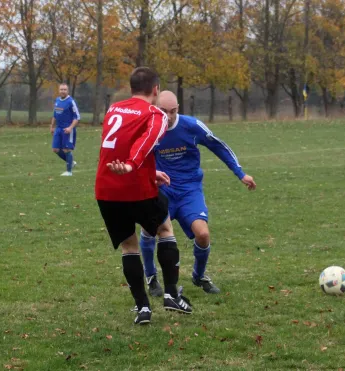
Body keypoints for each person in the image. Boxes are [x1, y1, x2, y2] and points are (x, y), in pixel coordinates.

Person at [95, 68, 192, 325]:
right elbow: (145, 142)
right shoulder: (155, 114)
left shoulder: (113, 109)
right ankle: (171, 294)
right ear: (156, 90)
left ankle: (143, 309)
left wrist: (151, 170)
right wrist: (131, 165)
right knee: (165, 228)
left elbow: (119, 143)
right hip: (135, 187)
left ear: (131, 88)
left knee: (129, 246)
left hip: (106, 189)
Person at [139, 91, 256, 296]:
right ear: (156, 109)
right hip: (161, 189)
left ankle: (199, 276)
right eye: (163, 111)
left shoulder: (192, 126)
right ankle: (151, 278)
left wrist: (240, 173)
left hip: (189, 191)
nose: (168, 116)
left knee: (203, 234)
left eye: (173, 111)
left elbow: (219, 146)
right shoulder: (149, 129)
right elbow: (137, 156)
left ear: (178, 109)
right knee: (150, 230)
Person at [50, 83, 80, 176]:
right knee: (55, 149)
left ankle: (69, 171)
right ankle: (71, 162)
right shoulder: (57, 100)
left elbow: (77, 117)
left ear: (68, 91)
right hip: (58, 128)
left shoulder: (71, 101)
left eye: (65, 90)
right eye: (61, 89)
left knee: (66, 150)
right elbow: (55, 115)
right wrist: (52, 126)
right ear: (59, 90)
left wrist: (70, 128)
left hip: (67, 128)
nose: (63, 91)